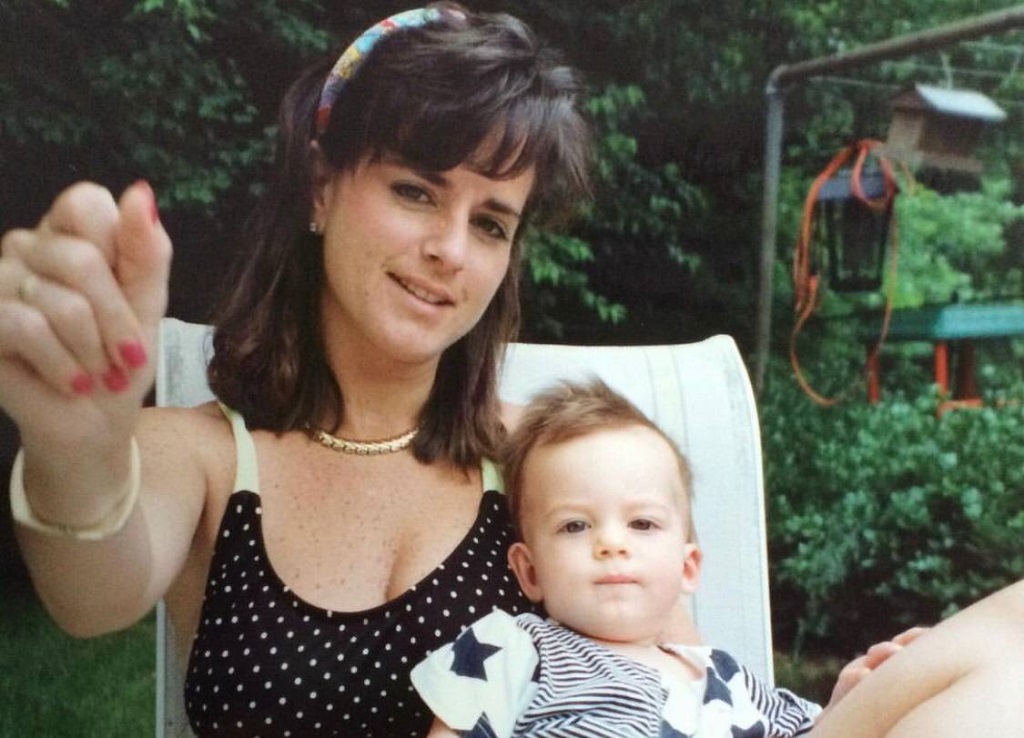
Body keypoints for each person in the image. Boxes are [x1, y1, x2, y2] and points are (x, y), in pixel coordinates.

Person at [0, 4, 591, 736]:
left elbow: (676, 682)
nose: (452, 250)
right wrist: (77, 450)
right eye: (416, 190)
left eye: (491, 223)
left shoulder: (545, 463)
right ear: (320, 186)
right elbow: (88, 598)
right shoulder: (206, 459)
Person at [412, 379, 1024, 738]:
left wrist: (851, 698)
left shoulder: (727, 676)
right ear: (529, 571)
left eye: (643, 523)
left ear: (687, 566)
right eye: (575, 525)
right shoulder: (512, 648)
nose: (611, 543)